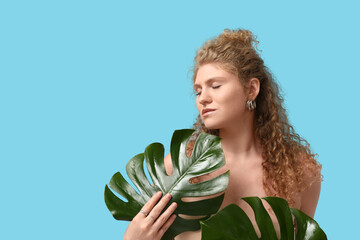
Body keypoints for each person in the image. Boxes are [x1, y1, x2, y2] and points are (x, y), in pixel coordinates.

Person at [123, 29, 323, 240]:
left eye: (215, 86)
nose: (203, 99)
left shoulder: (300, 170)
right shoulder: (180, 167)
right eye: (198, 91)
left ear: (252, 89)